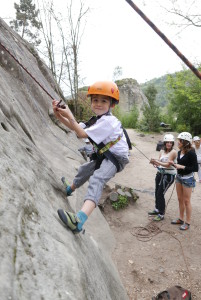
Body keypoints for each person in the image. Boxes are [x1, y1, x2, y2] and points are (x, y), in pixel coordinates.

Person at [52, 81, 129, 233]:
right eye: (95, 100)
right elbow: (77, 128)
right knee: (86, 169)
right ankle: (70, 189)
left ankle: (79, 221)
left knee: (97, 179)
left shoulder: (109, 121)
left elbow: (81, 134)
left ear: (112, 105)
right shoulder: (98, 120)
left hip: (116, 158)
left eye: (104, 101)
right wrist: (59, 115)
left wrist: (69, 114)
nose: (98, 104)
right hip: (106, 154)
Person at [170, 132, 198, 231]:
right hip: (179, 178)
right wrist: (173, 164)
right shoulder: (179, 152)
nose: (178, 142)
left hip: (188, 179)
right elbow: (179, 165)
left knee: (186, 201)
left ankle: (188, 222)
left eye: (180, 140)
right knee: (179, 199)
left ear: (185, 142)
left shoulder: (191, 153)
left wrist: (182, 166)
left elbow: (195, 168)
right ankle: (181, 219)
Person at [148, 134, 177, 221]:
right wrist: (153, 162)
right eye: (167, 142)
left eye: (170, 142)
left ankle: (161, 213)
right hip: (160, 174)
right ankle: (157, 209)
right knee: (157, 191)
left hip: (168, 176)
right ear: (164, 143)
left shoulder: (173, 152)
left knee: (160, 193)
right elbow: (159, 163)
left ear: (172, 143)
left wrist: (158, 162)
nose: (169, 144)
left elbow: (168, 165)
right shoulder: (161, 151)